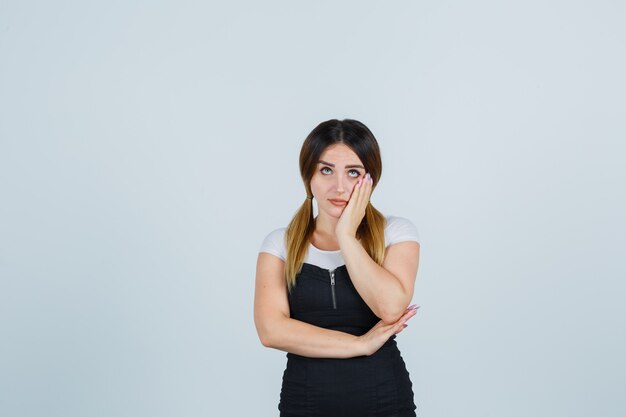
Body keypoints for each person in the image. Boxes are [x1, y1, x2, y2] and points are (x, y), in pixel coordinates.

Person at [254, 118, 421, 417]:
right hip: (304, 403)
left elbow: (391, 309)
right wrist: (359, 344)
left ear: (371, 179)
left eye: (353, 172)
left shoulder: (396, 233)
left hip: (385, 401)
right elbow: (271, 331)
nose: (339, 186)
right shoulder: (280, 244)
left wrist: (346, 236)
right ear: (309, 176)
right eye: (326, 170)